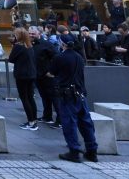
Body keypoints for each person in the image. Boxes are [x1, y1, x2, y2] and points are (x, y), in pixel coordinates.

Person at [49, 34, 98, 163]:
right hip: (80, 94)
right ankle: (92, 150)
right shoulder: (79, 57)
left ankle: (74, 151)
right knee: (86, 122)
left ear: (62, 44)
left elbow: (51, 73)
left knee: (69, 123)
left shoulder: (59, 58)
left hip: (68, 95)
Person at [8, 27, 39, 131]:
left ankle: (31, 121)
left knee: (24, 98)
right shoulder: (29, 46)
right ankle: (34, 120)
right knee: (30, 97)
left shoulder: (18, 47)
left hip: (22, 75)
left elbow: (11, 59)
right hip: (31, 74)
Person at [31, 26, 60, 127]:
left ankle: (60, 120)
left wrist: (51, 71)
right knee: (44, 97)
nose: (31, 35)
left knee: (54, 98)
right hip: (38, 76)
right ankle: (47, 116)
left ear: (39, 34)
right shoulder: (31, 44)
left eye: (33, 34)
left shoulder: (47, 44)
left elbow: (56, 56)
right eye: (29, 34)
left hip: (48, 76)